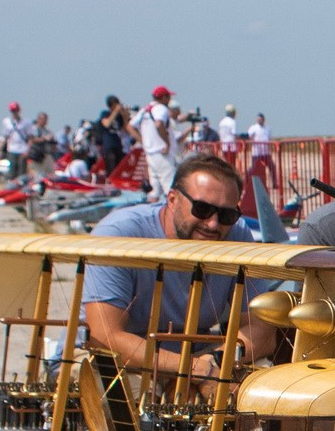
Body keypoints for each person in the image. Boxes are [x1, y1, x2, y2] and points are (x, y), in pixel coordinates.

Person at [80, 154, 278, 385]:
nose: (213, 224)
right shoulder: (119, 235)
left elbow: (262, 329)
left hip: (201, 357)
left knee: (263, 388)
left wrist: (214, 362)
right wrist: (191, 370)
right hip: (112, 359)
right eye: (202, 209)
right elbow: (105, 338)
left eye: (226, 215)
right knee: (130, 394)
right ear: (172, 199)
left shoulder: (237, 235)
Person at [134, 87, 176, 200]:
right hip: (162, 153)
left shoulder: (145, 110)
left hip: (150, 154)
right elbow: (159, 124)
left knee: (154, 191)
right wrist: (166, 143)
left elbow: (130, 126)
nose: (169, 100)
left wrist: (143, 141)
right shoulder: (160, 108)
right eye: (168, 97)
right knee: (170, 188)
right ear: (163, 97)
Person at [247, 109, 278, 196]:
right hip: (257, 153)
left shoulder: (267, 128)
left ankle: (274, 183)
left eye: (261, 119)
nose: (259, 120)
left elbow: (270, 139)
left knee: (272, 167)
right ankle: (248, 184)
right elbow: (249, 136)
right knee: (253, 169)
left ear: (263, 119)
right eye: (258, 119)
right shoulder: (253, 128)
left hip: (266, 152)